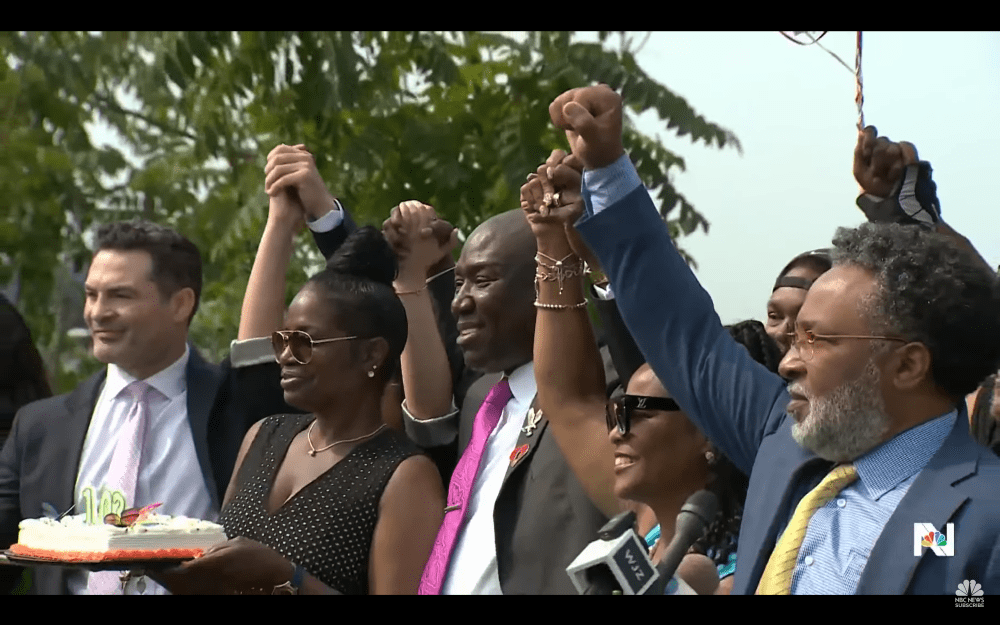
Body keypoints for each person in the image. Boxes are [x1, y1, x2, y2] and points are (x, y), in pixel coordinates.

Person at [548, 84, 1000, 594]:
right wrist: (607, 167)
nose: (787, 362)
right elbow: (683, 331)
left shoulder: (985, 518)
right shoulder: (782, 439)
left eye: (817, 340)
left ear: (908, 365)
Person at [0, 145, 359, 595]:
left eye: (120, 296)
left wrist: (294, 222)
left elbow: (268, 349)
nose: (96, 312)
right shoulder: (39, 427)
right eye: (92, 295)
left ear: (181, 304)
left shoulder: (235, 410)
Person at [521, 164, 779, 595]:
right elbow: (566, 400)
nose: (615, 431)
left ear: (709, 427)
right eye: (614, 412)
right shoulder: (648, 523)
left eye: (635, 411)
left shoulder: (761, 563)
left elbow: (570, 401)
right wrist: (553, 244)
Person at [153, 217, 445, 595]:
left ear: (371, 354)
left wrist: (288, 577)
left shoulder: (404, 475)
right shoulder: (264, 434)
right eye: (282, 340)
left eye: (305, 342)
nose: (286, 357)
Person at [391, 199, 614, 595]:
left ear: (543, 281)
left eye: (483, 280)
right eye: (458, 284)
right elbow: (427, 421)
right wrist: (411, 273)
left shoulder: (609, 384)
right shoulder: (481, 399)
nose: (460, 302)